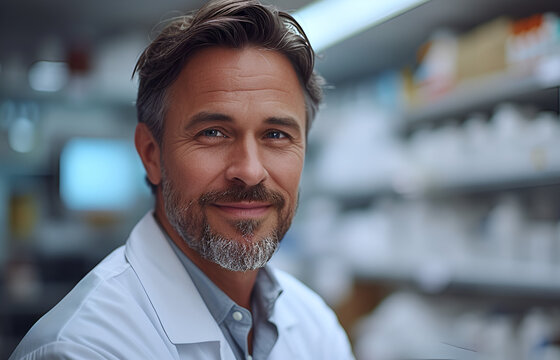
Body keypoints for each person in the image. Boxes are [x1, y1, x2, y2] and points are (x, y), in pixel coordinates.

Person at [10, 0, 354, 359]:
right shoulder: (82, 348)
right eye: (214, 133)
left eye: (277, 135)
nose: (250, 171)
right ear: (151, 154)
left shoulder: (316, 326)